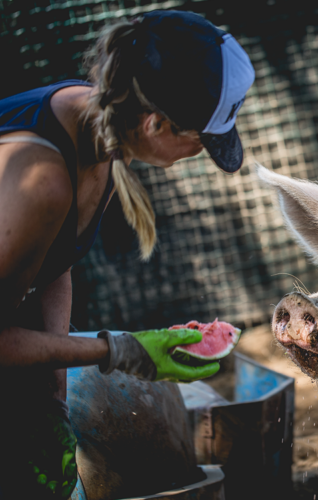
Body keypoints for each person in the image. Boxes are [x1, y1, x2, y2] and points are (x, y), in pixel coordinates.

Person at [0, 10, 255, 499]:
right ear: (156, 122)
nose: (200, 154)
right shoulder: (42, 180)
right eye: (201, 140)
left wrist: (54, 392)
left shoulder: (99, 130)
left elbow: (54, 261)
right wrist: (120, 350)